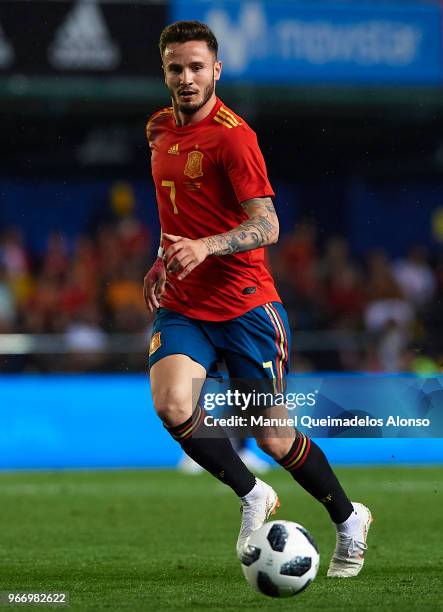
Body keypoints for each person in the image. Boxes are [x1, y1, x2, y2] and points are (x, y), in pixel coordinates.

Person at [144, 20, 371, 578]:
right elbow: (179, 214)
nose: (187, 77)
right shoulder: (157, 129)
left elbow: (267, 225)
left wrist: (206, 246)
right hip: (184, 304)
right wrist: (163, 257)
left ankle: (348, 518)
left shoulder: (234, 136)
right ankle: (251, 495)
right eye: (177, 67)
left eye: (198, 67)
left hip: (247, 305)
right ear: (165, 71)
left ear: (216, 70)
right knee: (173, 404)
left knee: (272, 433)